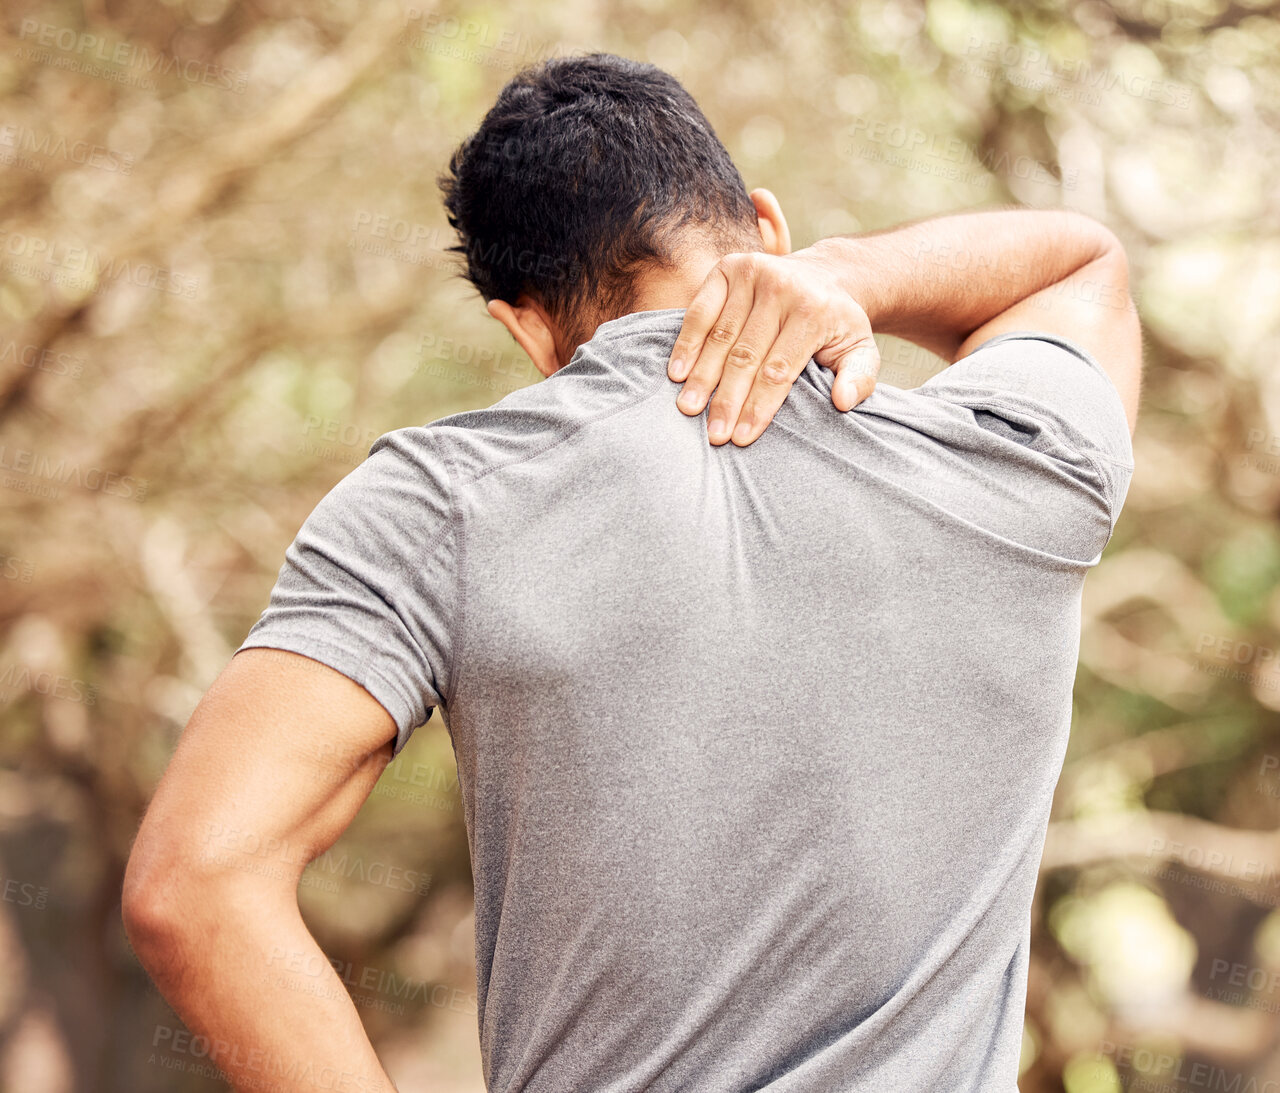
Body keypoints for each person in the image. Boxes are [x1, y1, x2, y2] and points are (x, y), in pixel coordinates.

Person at [122, 52, 1140, 1093]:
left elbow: (195, 882)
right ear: (766, 227)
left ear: (523, 327)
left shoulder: (446, 502)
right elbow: (1080, 266)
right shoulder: (1013, 459)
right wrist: (853, 276)